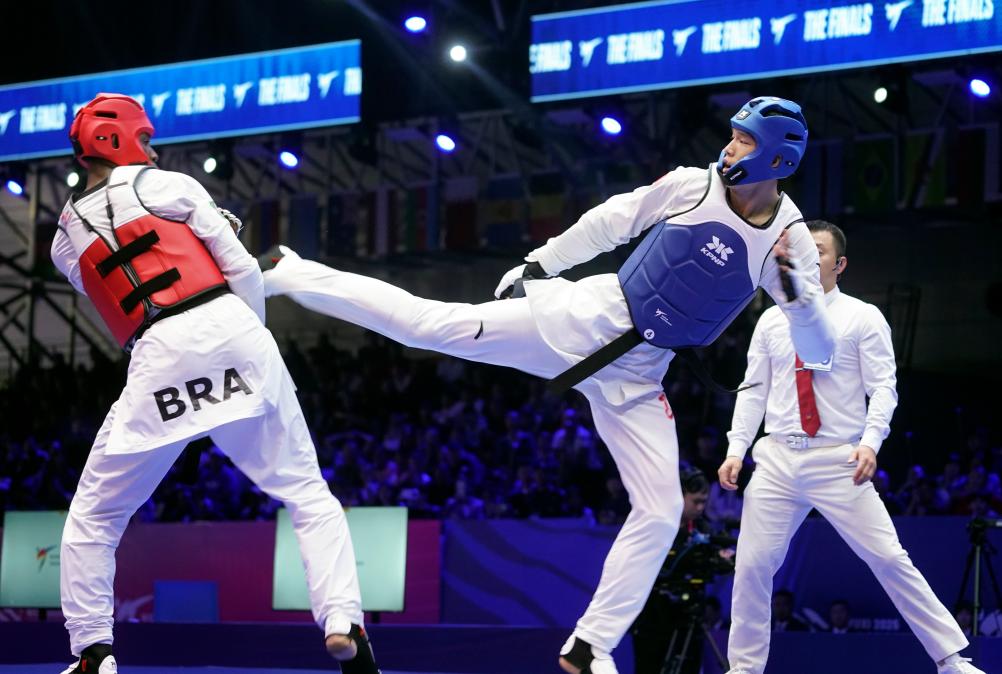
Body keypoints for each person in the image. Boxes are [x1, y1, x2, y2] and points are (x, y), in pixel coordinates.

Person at [264, 97, 835, 674]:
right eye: (733, 135)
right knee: (429, 326)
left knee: (662, 511)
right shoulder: (693, 185)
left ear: (777, 160)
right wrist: (540, 265)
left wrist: (801, 301)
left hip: (640, 377)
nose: (730, 148)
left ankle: (590, 645)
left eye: (745, 141)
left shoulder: (789, 245)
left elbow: (817, 352)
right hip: (584, 322)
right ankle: (291, 271)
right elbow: (610, 221)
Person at [51, 94, 378, 674]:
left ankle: (93, 652)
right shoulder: (171, 185)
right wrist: (251, 330)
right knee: (307, 494)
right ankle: (342, 620)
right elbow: (243, 268)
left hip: (157, 354)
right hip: (230, 327)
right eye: (145, 138)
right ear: (115, 139)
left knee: (95, 518)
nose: (152, 151)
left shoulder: (64, 236)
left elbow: (103, 281)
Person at [718, 220, 982, 674]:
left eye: (818, 250)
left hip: (838, 457)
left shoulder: (863, 316)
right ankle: (743, 669)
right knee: (752, 565)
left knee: (888, 556)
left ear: (839, 264)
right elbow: (753, 389)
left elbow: (883, 389)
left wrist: (871, 443)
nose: (808, 255)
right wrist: (736, 448)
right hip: (777, 457)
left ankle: (951, 659)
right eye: (801, 247)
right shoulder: (771, 318)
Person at [630, 468, 733, 674]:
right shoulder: (651, 525)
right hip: (653, 616)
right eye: (696, 501)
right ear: (678, 495)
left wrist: (725, 557)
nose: (701, 507)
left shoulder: (703, 528)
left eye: (704, 502)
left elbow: (717, 556)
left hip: (690, 614)